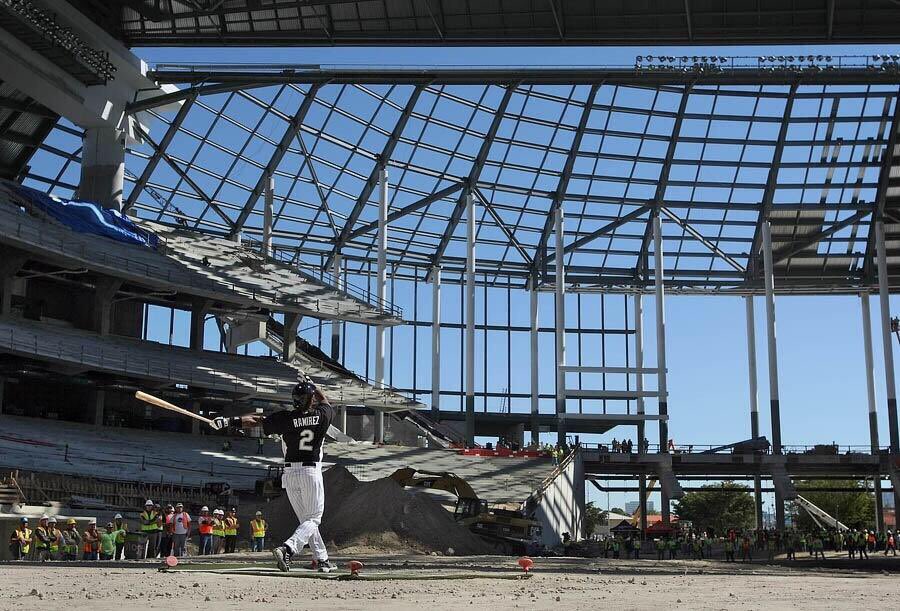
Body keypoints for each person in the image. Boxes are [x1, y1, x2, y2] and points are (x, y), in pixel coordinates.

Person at [213, 378, 336, 573]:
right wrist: (315, 387)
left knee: (307, 520)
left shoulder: (285, 418)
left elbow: (256, 421)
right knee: (313, 519)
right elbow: (326, 402)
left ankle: (322, 559)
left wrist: (229, 421)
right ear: (311, 399)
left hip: (289, 473)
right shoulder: (322, 416)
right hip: (310, 471)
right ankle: (288, 548)